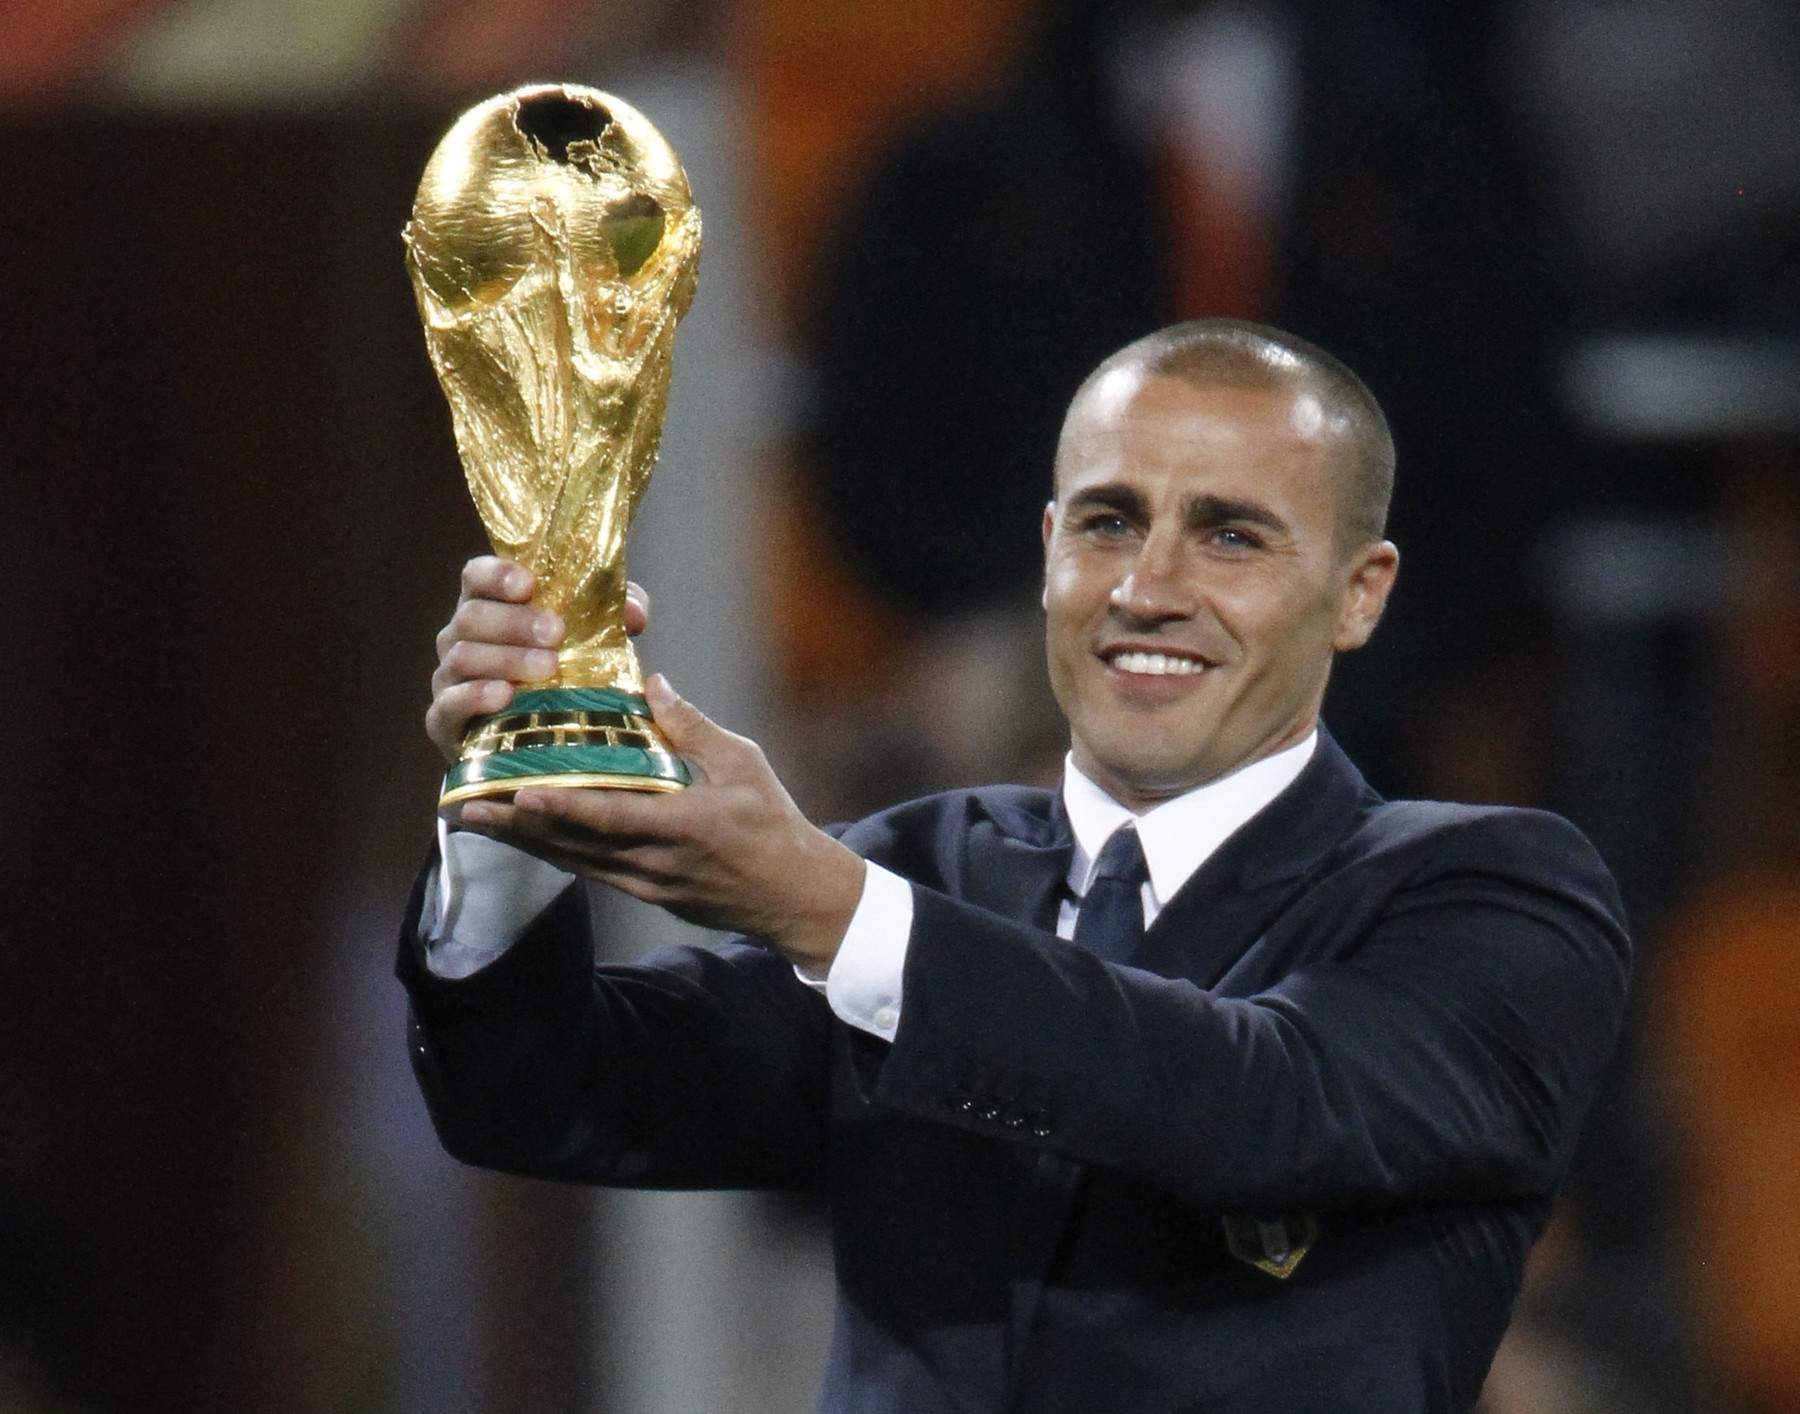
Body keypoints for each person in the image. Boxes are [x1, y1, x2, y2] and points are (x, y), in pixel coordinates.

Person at [399, 320, 1631, 1414]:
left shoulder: (1495, 896)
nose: (1149, 588)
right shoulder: (927, 868)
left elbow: (1264, 1103)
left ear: (1358, 594)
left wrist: (827, 906)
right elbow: (549, 1091)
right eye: (1108, 521)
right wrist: (507, 811)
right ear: (1049, 549)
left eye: (1231, 537)